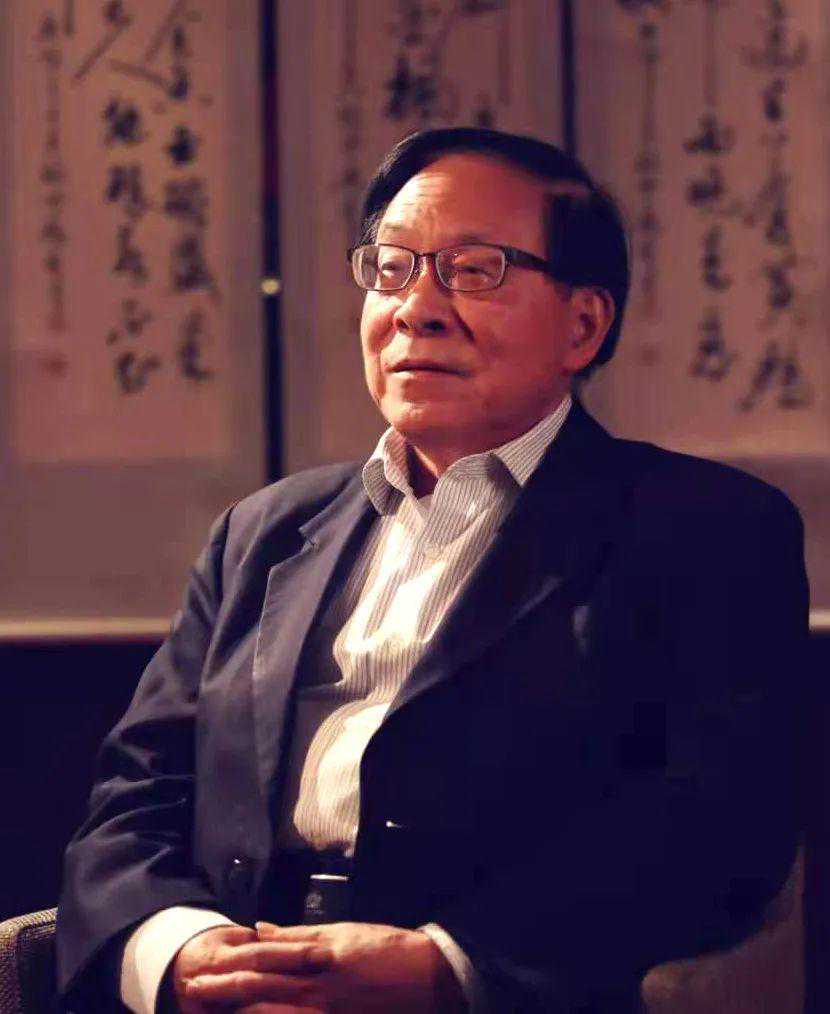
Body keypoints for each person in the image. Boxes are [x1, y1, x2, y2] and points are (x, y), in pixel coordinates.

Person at [56, 127, 808, 1013]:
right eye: (391, 268)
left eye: (474, 270)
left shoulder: (704, 530)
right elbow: (136, 795)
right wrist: (177, 951)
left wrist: (448, 966)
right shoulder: (260, 535)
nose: (417, 308)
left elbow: (720, 821)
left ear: (583, 325)